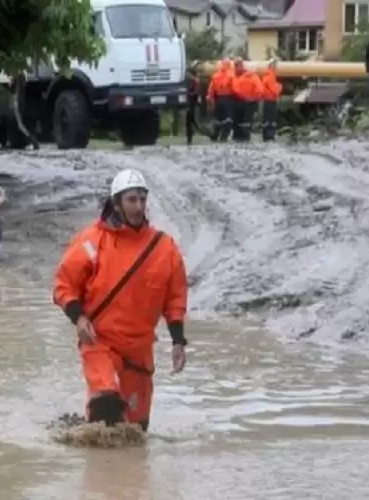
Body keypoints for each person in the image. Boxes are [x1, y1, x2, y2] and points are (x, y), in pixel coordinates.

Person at [52, 169, 188, 432]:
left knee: (136, 432)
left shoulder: (165, 248)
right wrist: (78, 317)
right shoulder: (92, 241)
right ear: (116, 204)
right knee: (107, 405)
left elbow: (176, 298)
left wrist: (178, 341)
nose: (138, 206)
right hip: (99, 343)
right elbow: (64, 284)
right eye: (131, 200)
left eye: (142, 199)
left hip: (139, 352)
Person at [230, 58, 263, 142]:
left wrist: (251, 98)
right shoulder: (253, 76)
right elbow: (260, 89)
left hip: (241, 102)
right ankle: (243, 137)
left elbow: (235, 89)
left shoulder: (237, 77)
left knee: (241, 121)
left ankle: (241, 137)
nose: (236, 68)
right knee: (244, 121)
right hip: (246, 102)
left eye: (237, 65)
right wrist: (254, 98)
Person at [206, 59, 234, 142]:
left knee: (218, 119)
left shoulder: (215, 76)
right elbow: (235, 88)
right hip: (228, 99)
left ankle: (215, 136)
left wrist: (210, 98)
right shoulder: (231, 75)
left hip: (218, 99)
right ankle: (224, 137)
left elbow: (211, 89)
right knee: (228, 119)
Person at [260, 59, 283, 142]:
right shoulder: (270, 76)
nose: (276, 67)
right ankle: (269, 137)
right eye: (275, 65)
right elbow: (273, 90)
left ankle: (267, 136)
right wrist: (279, 88)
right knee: (270, 120)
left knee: (267, 120)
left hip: (268, 100)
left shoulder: (269, 75)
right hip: (270, 101)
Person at [185, 66, 201, 145]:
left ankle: (192, 136)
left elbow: (196, 92)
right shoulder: (189, 81)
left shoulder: (195, 81)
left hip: (193, 104)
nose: (187, 74)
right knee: (189, 122)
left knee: (192, 121)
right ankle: (189, 138)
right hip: (190, 103)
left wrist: (188, 94)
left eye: (188, 73)